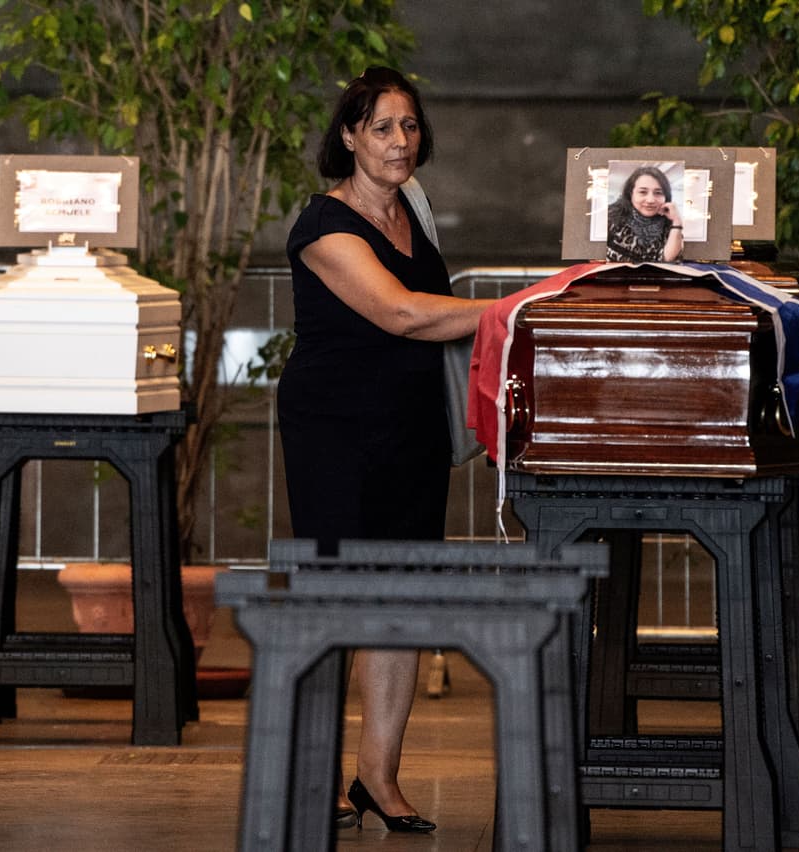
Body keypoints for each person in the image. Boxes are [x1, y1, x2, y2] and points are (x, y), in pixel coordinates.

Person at [277, 66, 491, 834]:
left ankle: (379, 777)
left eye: (409, 126)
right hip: (335, 428)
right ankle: (311, 771)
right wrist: (511, 309)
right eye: (381, 128)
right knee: (339, 597)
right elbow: (400, 312)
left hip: (410, 428)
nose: (401, 142)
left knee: (403, 597)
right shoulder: (323, 224)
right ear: (348, 137)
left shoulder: (414, 209)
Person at [604, 164, 683, 263]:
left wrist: (677, 222)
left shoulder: (669, 224)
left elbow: (666, 259)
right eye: (643, 192)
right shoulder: (610, 216)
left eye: (658, 193)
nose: (650, 200)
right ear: (630, 193)